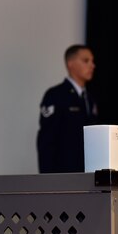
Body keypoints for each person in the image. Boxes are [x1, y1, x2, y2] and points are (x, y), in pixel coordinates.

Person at [36, 44, 99, 173]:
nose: (92, 65)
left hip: (88, 177)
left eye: (92, 61)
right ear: (71, 64)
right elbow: (46, 141)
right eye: (86, 61)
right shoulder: (56, 95)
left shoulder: (90, 99)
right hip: (63, 176)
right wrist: (47, 179)